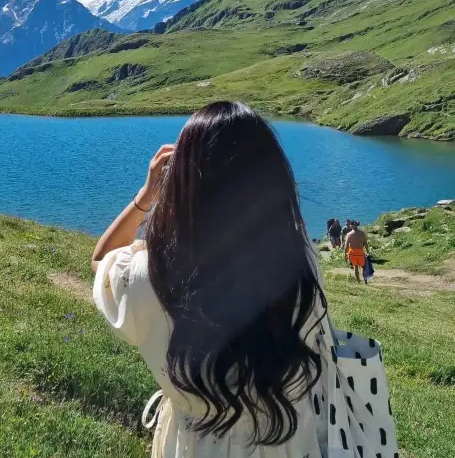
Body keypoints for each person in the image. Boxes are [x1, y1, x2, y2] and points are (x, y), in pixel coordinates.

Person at [92, 101, 330, 457]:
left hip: (197, 444)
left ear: (181, 178)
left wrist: (147, 196)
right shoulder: (300, 262)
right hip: (290, 439)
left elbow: (100, 260)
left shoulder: (148, 276)